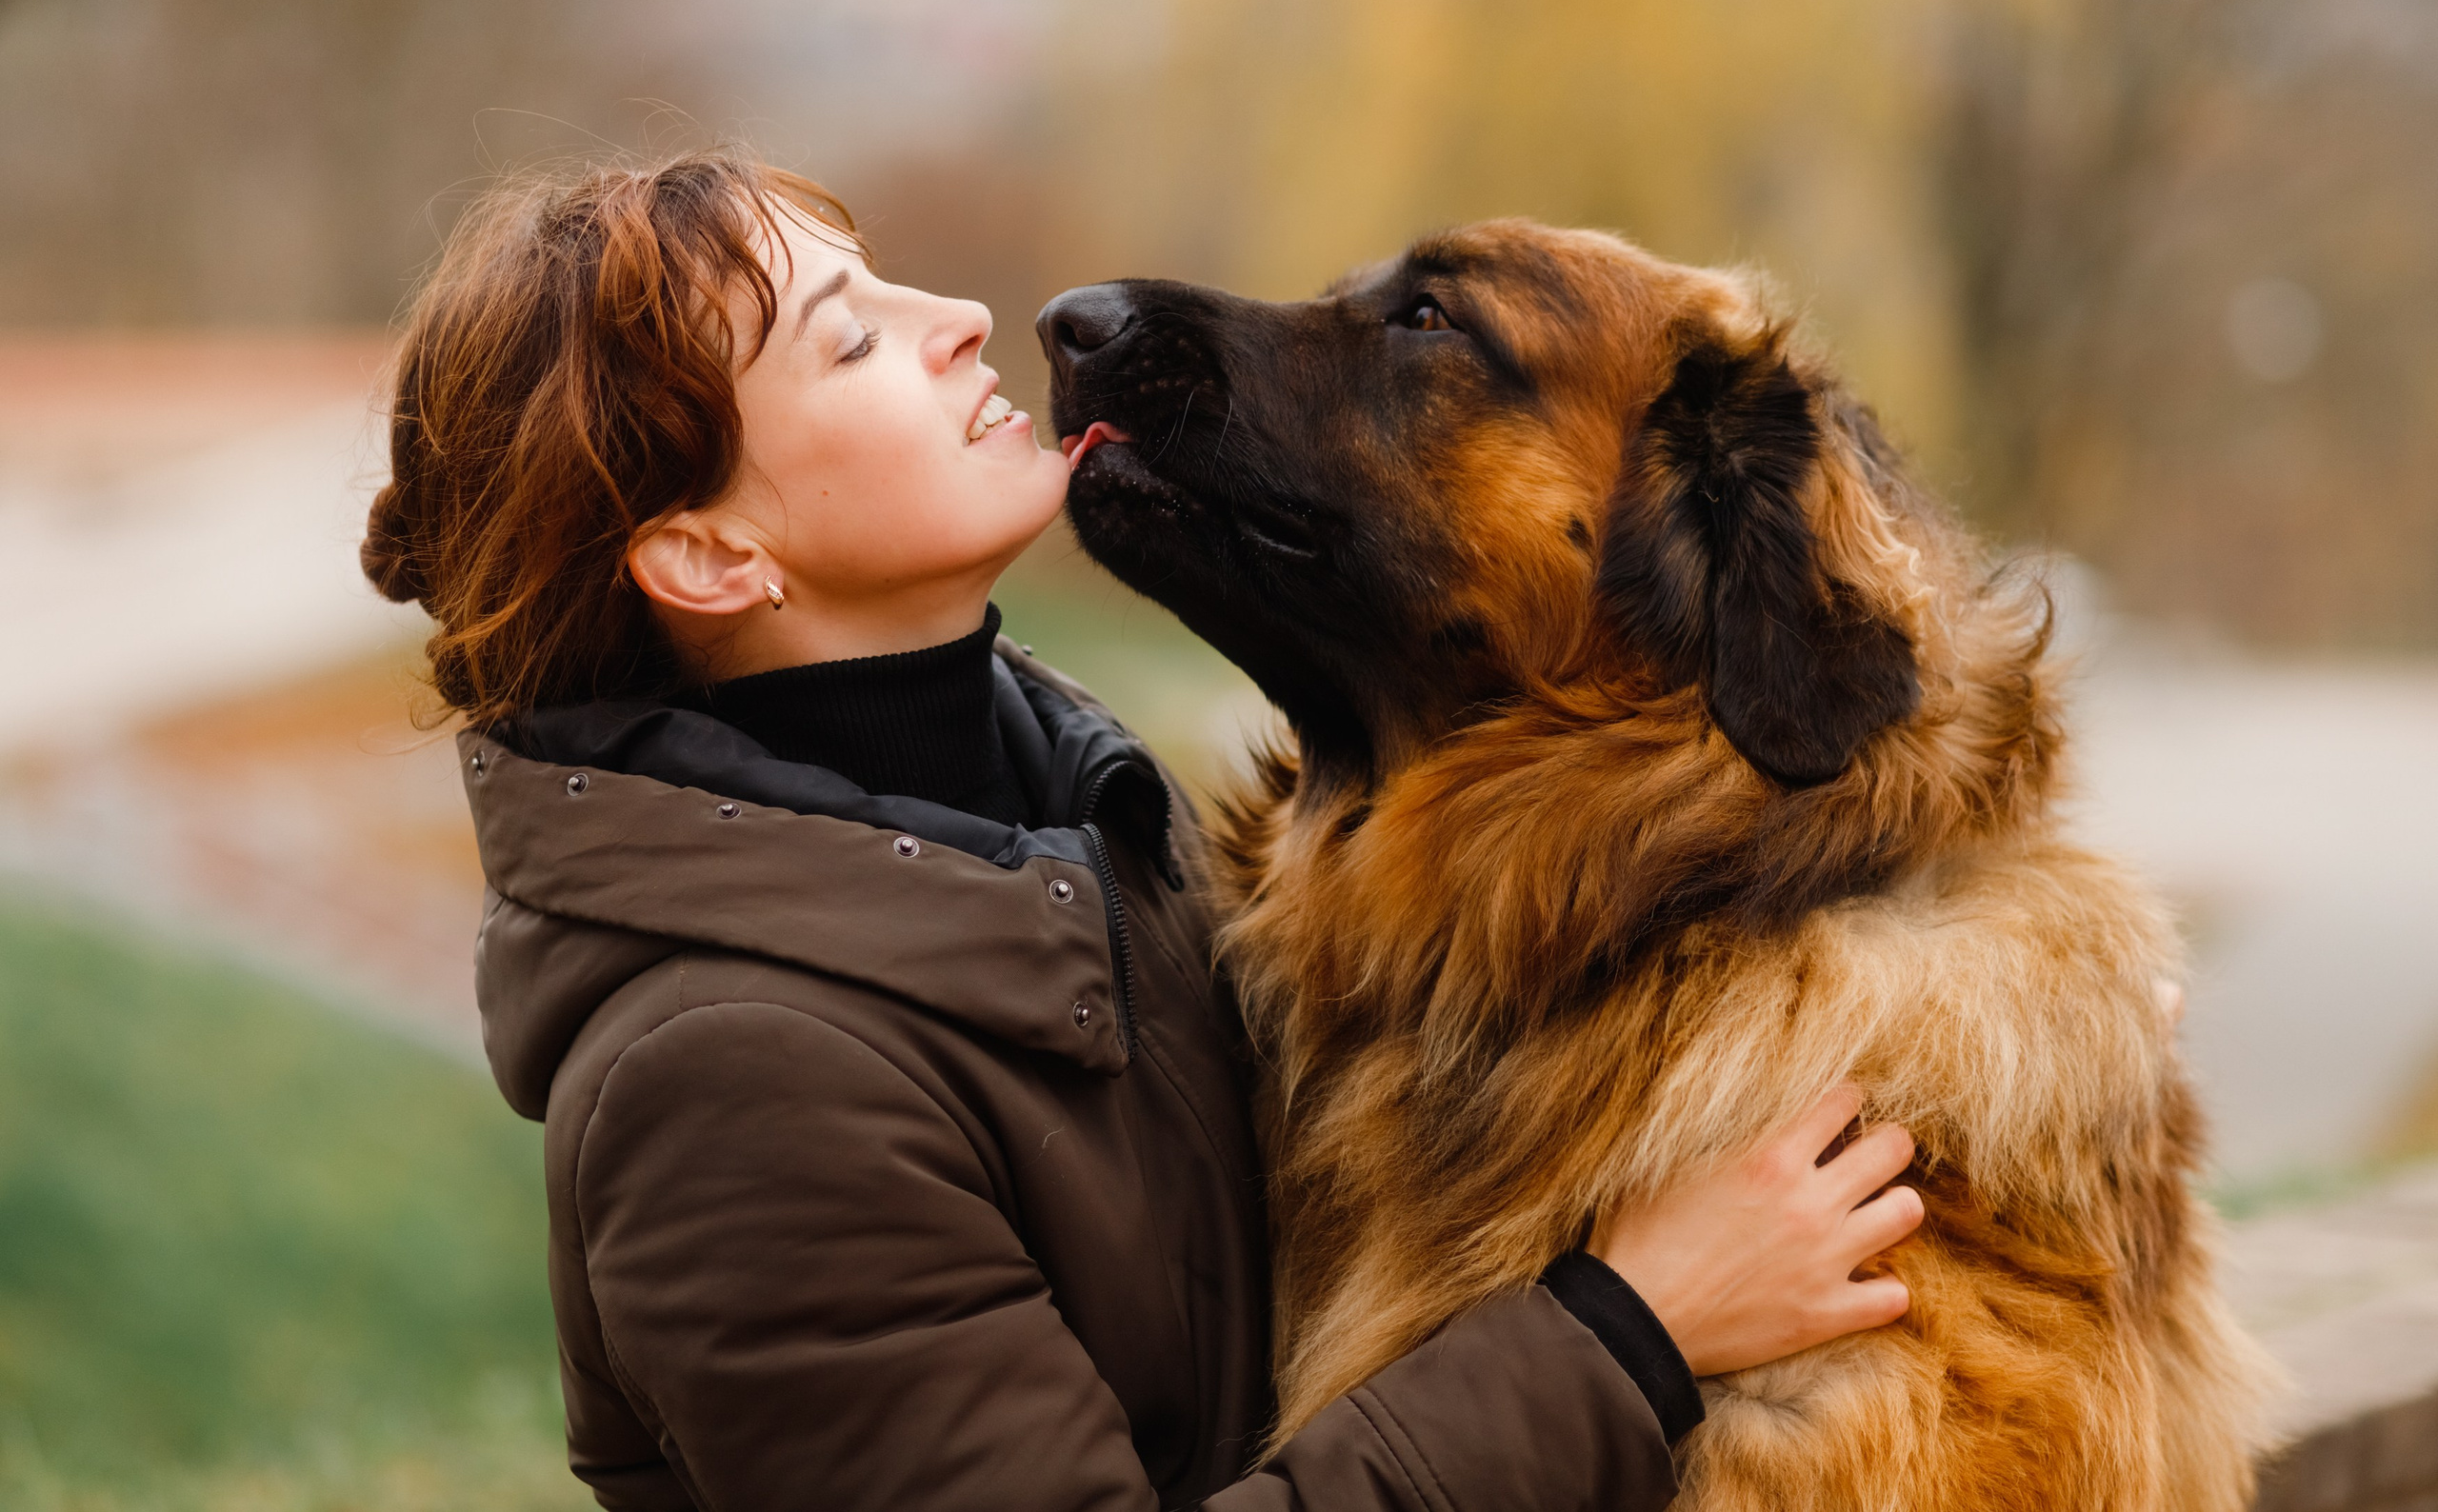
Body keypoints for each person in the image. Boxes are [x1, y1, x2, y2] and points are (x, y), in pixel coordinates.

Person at [360, 149, 1925, 1511]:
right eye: (849, 342)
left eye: (890, 284)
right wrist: (1628, 1328)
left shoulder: (1086, 832)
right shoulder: (732, 1090)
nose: (970, 319)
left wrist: (1989, 1001)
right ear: (711, 556)